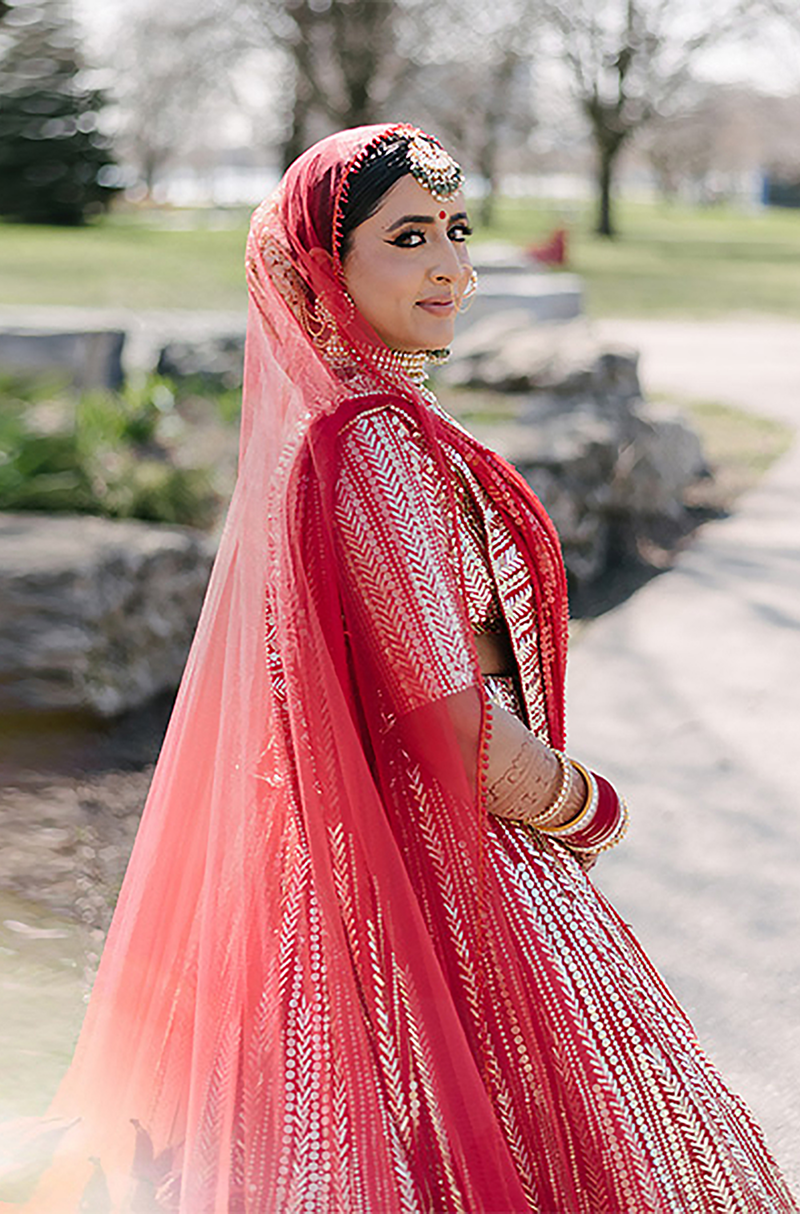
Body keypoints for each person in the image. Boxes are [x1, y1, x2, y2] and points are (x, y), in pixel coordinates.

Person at [2, 123, 796, 1214]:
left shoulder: (344, 420)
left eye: (455, 233)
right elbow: (445, 724)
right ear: (326, 266)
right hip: (432, 848)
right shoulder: (374, 436)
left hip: (351, 836)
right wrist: (585, 806)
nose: (450, 268)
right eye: (409, 237)